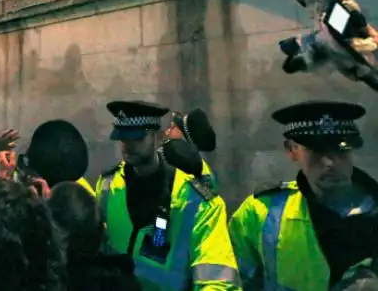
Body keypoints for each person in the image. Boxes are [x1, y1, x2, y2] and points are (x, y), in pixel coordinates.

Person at [229, 101, 378, 290]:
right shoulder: (260, 213)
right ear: (291, 150)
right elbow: (230, 281)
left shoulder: (374, 208)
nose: (329, 162)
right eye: (316, 151)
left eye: (341, 149)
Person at [95, 100, 241, 290]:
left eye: (137, 139)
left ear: (156, 136)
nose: (127, 146)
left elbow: (218, 281)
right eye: (123, 138)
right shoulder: (107, 185)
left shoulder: (197, 201)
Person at [164, 108, 219, 189]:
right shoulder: (201, 166)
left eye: (172, 127)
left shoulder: (180, 167)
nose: (167, 132)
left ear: (184, 137)